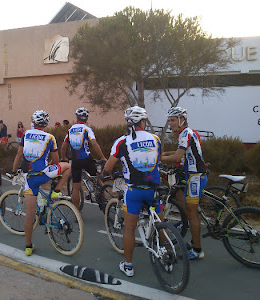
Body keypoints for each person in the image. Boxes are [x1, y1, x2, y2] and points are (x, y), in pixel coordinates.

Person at [103, 106, 161, 277]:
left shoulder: (121, 142)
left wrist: (103, 175)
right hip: (155, 189)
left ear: (128, 122)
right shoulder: (156, 138)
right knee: (160, 224)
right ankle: (166, 257)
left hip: (133, 190)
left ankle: (128, 266)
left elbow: (108, 167)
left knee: (129, 228)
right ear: (143, 121)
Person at [12, 110, 71, 256]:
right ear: (46, 123)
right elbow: (56, 161)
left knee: (30, 215)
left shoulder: (25, 134)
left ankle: (28, 246)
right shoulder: (50, 137)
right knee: (68, 166)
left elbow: (19, 154)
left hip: (30, 179)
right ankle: (56, 190)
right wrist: (51, 164)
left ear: (34, 121)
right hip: (45, 174)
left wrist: (13, 170)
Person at [161, 107, 208, 260]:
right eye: (169, 120)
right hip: (192, 175)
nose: (170, 123)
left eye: (173, 120)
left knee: (191, 213)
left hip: (195, 176)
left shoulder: (185, 133)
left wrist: (156, 159)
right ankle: (194, 241)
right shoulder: (185, 134)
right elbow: (176, 153)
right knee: (190, 210)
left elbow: (177, 157)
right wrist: (162, 154)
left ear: (182, 119)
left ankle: (197, 250)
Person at [60, 107, 107, 210]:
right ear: (87, 119)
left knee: (76, 187)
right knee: (97, 179)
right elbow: (94, 143)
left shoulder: (70, 130)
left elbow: (63, 146)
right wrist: (103, 157)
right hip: (86, 159)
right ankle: (105, 201)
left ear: (76, 117)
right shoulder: (87, 129)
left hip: (75, 161)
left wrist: (63, 157)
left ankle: (77, 213)